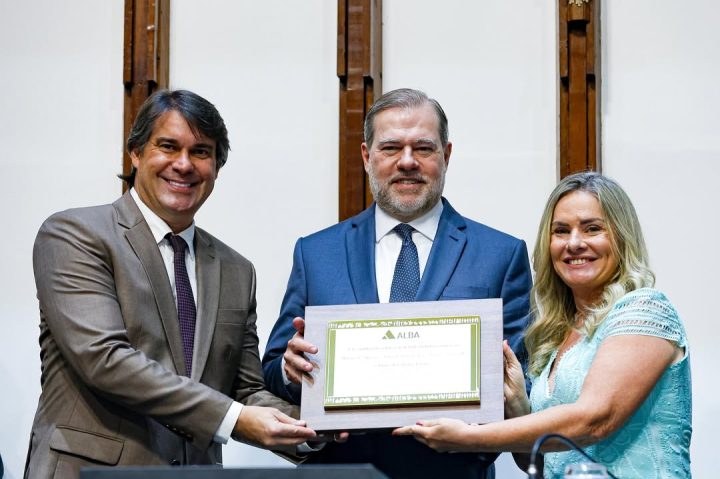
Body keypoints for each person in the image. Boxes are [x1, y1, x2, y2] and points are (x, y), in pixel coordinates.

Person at [25, 90, 316, 479]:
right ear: (135, 153)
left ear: (216, 166)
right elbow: (105, 360)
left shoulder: (235, 269)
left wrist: (315, 427)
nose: (184, 164)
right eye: (168, 146)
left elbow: (245, 390)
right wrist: (235, 419)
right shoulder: (74, 235)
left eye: (201, 152)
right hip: (88, 471)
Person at [261, 88, 532, 479]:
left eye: (423, 148)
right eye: (391, 148)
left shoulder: (500, 254)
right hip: (341, 472)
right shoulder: (316, 253)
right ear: (366, 156)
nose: (407, 162)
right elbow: (272, 369)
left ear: (446, 156)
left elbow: (521, 375)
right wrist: (291, 371)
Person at [394, 172, 692, 478]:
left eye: (592, 229)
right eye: (561, 231)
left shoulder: (646, 309)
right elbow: (539, 459)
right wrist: (520, 404)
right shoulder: (556, 335)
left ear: (621, 236)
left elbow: (594, 420)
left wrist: (464, 438)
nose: (574, 243)